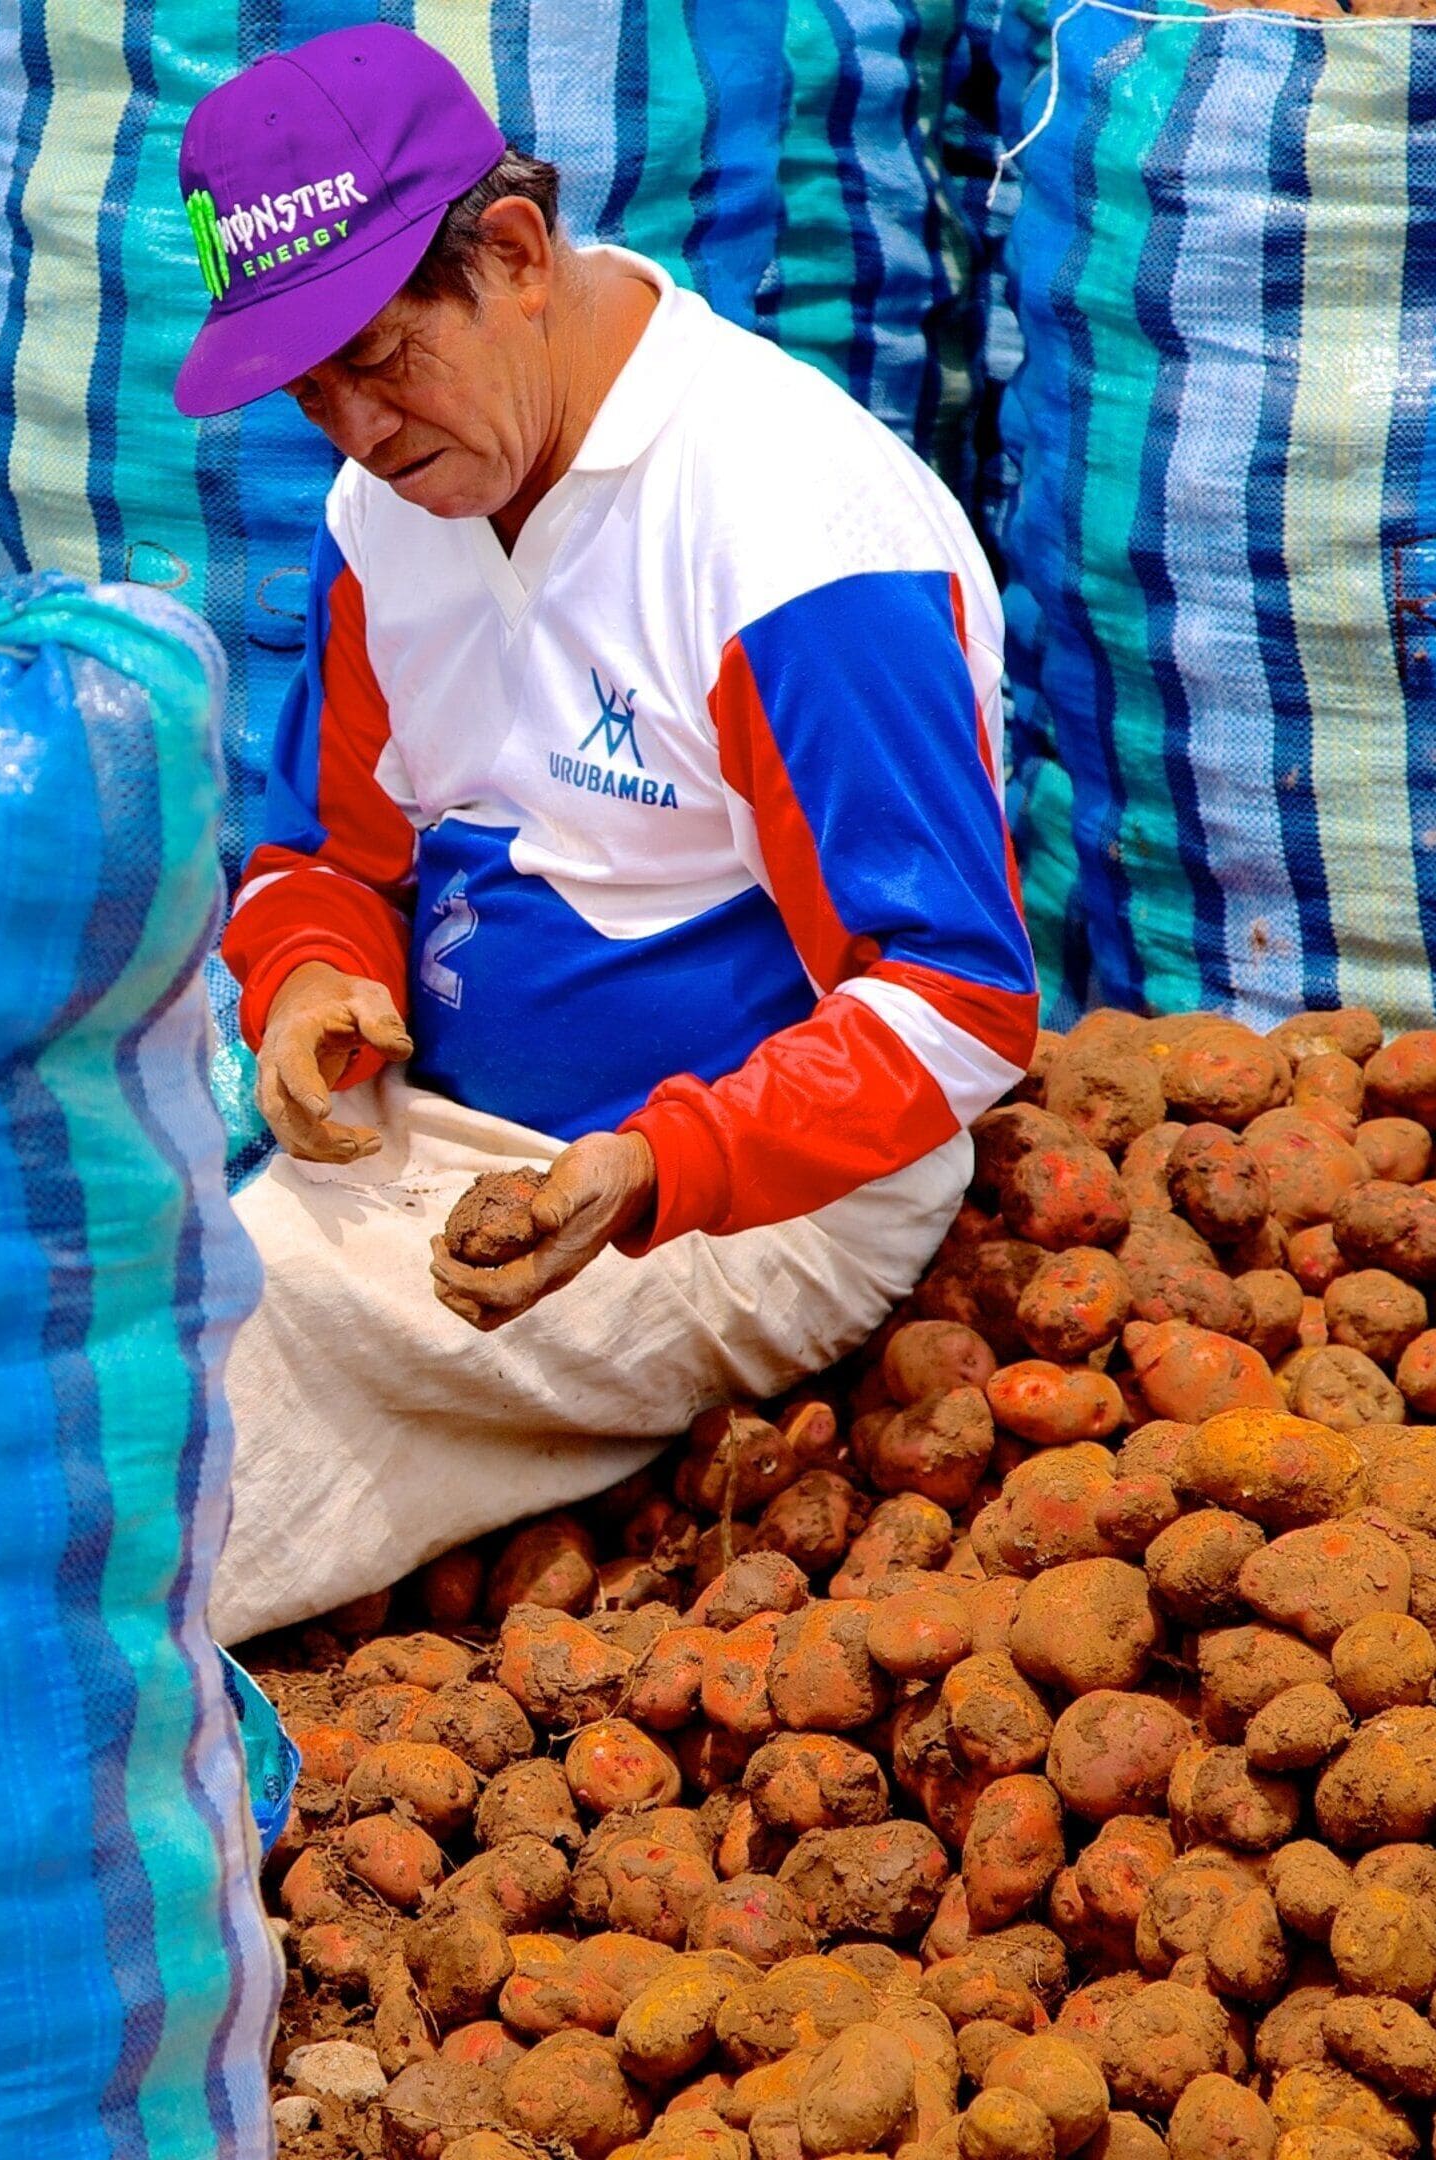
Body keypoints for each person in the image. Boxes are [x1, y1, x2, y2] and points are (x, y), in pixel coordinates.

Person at [177, 25, 1038, 1640]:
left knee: (202, 1370)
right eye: (310, 391)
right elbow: (322, 856)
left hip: (751, 1203)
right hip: (437, 1132)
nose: (355, 428)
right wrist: (307, 984)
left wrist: (656, 1166)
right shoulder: (398, 504)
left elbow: (959, 997)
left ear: (510, 253)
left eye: (380, 357)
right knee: (90, 1212)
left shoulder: (793, 542)